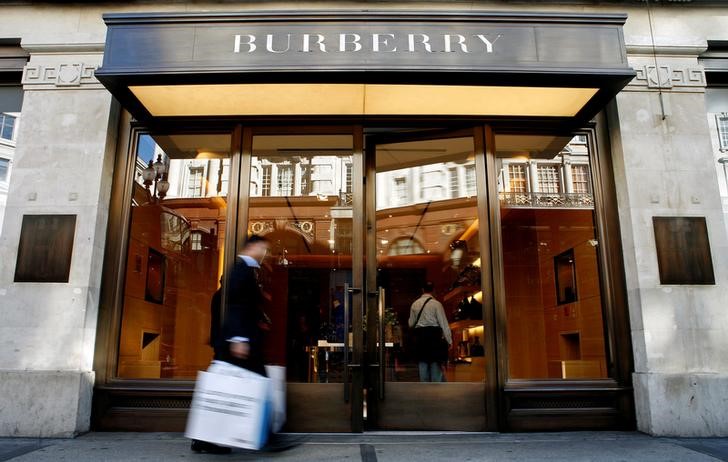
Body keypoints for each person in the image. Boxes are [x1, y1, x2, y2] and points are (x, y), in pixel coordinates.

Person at [192, 235, 271, 454]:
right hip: (236, 344)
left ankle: (205, 439)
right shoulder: (240, 271)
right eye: (262, 248)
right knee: (232, 390)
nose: (264, 253)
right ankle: (265, 437)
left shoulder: (245, 272)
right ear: (252, 247)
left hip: (236, 342)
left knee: (224, 390)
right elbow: (237, 306)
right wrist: (239, 338)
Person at [408, 281, 452, 382]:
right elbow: (443, 324)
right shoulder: (437, 304)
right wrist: (449, 340)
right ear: (433, 290)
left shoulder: (415, 304)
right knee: (435, 364)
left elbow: (411, 324)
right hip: (434, 337)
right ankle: (435, 392)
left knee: (422, 364)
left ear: (422, 290)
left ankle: (424, 390)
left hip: (421, 338)